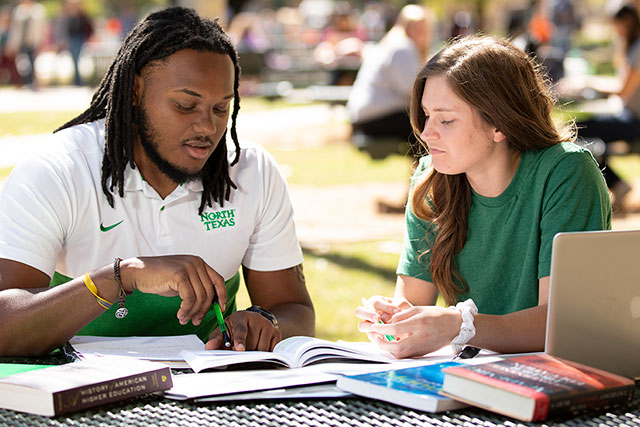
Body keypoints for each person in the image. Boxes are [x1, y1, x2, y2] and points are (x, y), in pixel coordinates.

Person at [0, 7, 314, 357]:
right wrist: (123, 277)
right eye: (185, 105)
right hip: (80, 399)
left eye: (221, 109)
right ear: (134, 92)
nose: (207, 128)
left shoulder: (249, 170)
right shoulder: (58, 168)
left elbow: (294, 309)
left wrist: (266, 323)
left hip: (210, 397)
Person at [356, 36, 610, 358]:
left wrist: (458, 325)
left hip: (557, 379)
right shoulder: (431, 179)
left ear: (499, 125)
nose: (426, 132)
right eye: (426, 115)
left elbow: (562, 322)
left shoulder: (565, 173)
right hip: (471, 378)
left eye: (446, 120)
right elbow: (414, 307)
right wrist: (396, 321)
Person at [557, 3, 639, 212]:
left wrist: (587, 82)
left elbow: (622, 90)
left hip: (634, 121)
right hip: (627, 116)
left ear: (627, 22)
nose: (615, 30)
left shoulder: (638, 49)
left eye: (616, 25)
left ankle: (616, 184)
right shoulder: (631, 48)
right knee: (578, 129)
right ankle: (617, 183)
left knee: (575, 130)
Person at [347, 4, 433, 148]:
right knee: (429, 124)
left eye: (423, 29)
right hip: (375, 118)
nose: (420, 34)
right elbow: (412, 90)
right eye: (416, 28)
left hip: (366, 117)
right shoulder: (402, 48)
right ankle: (428, 167)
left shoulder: (391, 43)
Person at [6, 0, 46, 88]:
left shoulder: (38, 10)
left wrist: (43, 41)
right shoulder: (18, 11)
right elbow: (14, 29)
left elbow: (43, 27)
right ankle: (26, 81)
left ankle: (33, 82)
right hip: (21, 42)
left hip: (34, 41)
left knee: (33, 62)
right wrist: (12, 43)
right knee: (23, 63)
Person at [60, 0, 93, 86]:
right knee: (74, 60)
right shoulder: (68, 17)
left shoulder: (82, 16)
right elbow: (65, 30)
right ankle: (77, 80)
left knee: (77, 59)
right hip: (71, 40)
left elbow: (89, 27)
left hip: (79, 39)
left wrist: (88, 37)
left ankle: (78, 80)